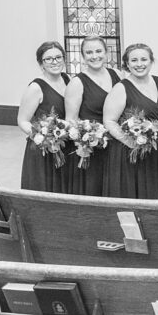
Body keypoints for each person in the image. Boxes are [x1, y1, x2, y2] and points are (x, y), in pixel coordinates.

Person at [103, 43, 158, 199]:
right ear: (127, 64)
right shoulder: (121, 88)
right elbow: (109, 121)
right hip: (130, 153)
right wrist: (132, 142)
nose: (139, 64)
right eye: (134, 60)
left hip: (157, 152)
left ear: (151, 61)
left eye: (144, 59)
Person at [63, 35, 121, 196]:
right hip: (92, 146)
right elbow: (71, 120)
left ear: (106, 52)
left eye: (98, 51)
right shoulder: (77, 83)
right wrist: (84, 141)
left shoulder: (117, 74)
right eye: (89, 52)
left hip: (116, 144)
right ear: (82, 56)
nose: (94, 56)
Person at [18, 41, 71, 192]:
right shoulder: (36, 87)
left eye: (58, 57)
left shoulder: (68, 80)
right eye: (48, 59)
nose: (55, 62)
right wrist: (42, 137)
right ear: (41, 63)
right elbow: (22, 121)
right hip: (43, 149)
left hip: (64, 144)